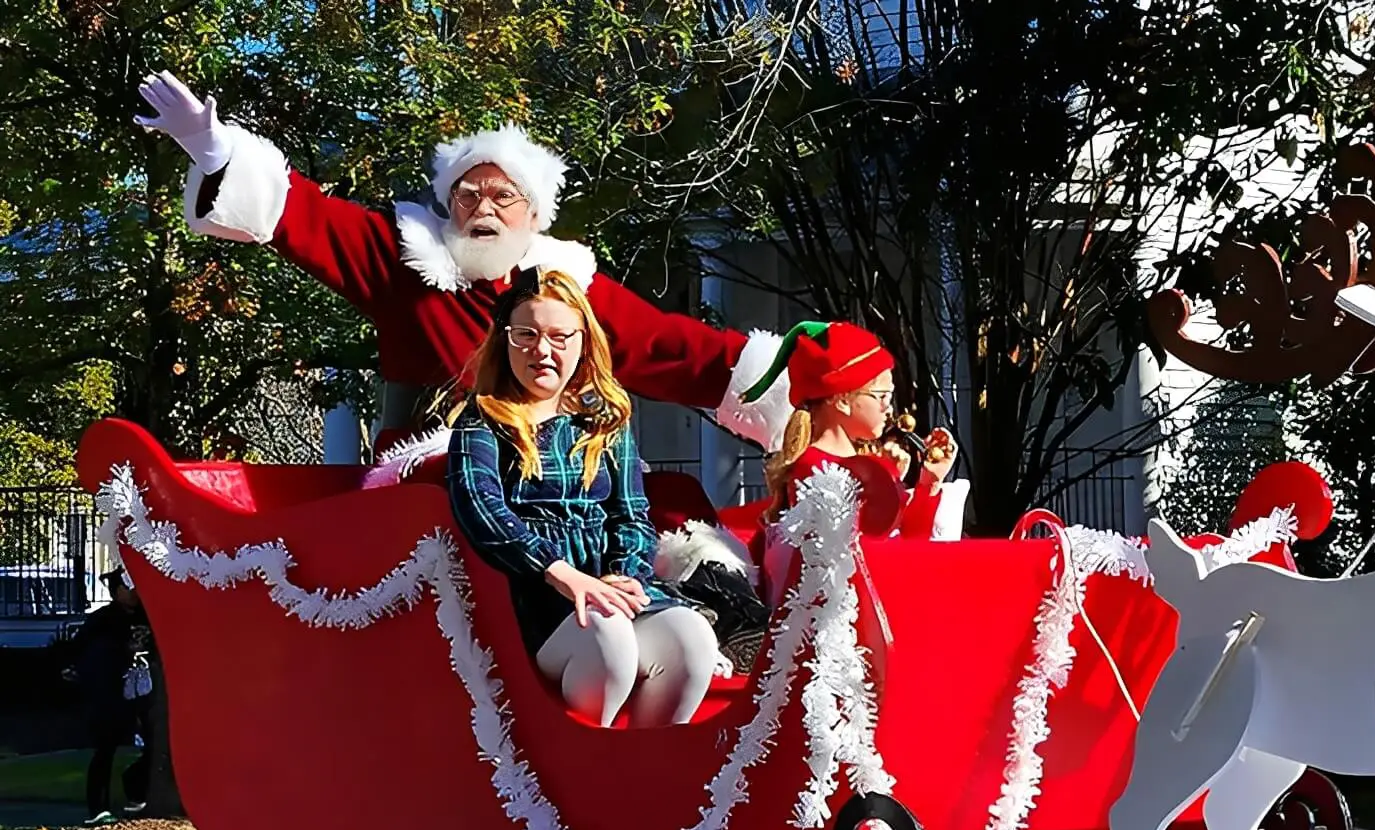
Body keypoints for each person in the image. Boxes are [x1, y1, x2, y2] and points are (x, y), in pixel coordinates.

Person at [132, 70, 793, 456]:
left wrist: (801, 391)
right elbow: (302, 215)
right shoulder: (404, 260)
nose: (484, 208)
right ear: (446, 206)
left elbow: (683, 352)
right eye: (467, 195)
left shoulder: (569, 285)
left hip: (548, 478)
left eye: (503, 196)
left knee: (670, 527)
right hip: (426, 487)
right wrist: (214, 149)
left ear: (534, 215)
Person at [446, 269, 721, 729]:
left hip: (608, 590)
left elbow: (632, 515)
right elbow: (480, 507)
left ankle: (646, 771)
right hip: (536, 598)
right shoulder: (482, 421)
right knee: (607, 637)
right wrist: (561, 573)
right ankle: (589, 768)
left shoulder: (605, 421)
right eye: (526, 334)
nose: (542, 350)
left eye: (558, 336)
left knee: (690, 637)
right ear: (505, 340)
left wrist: (625, 575)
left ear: (582, 341)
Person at [751, 321, 960, 537]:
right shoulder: (817, 470)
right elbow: (869, 556)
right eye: (882, 396)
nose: (888, 409)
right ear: (841, 400)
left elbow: (911, 547)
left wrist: (928, 483)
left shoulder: (842, 464)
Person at [62, 570, 154, 824]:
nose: (133, 593)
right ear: (115, 591)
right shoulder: (102, 620)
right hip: (111, 693)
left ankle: (135, 786)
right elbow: (79, 651)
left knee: (155, 741)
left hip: (144, 692)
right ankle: (98, 808)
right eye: (127, 587)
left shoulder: (148, 615)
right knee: (105, 748)